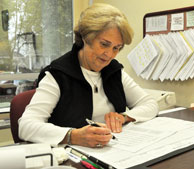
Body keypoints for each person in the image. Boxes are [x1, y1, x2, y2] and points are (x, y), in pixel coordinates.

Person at [18, 3, 158, 148]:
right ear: (86, 38)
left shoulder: (114, 70)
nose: (109, 55)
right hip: (72, 157)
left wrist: (123, 117)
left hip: (113, 151)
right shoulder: (58, 74)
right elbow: (26, 126)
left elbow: (150, 104)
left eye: (116, 48)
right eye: (104, 44)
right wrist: (73, 136)